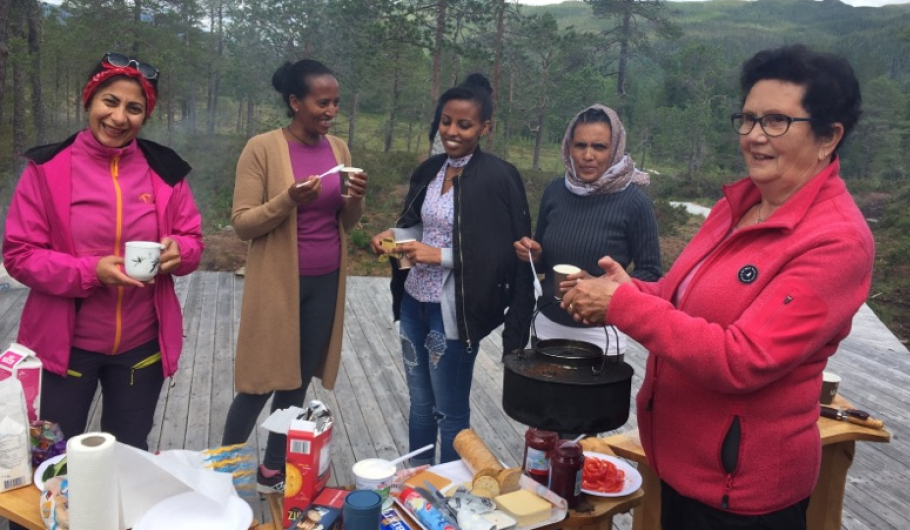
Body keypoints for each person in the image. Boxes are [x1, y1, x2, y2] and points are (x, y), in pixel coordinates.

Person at [562, 45, 873, 529]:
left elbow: (742, 360)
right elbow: (679, 298)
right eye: (747, 119)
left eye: (776, 121)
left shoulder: (836, 242)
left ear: (829, 136)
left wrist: (622, 305)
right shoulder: (738, 205)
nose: (753, 136)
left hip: (742, 496)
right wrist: (628, 291)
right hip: (682, 468)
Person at [2, 52, 203, 451]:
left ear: (145, 117)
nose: (118, 117)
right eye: (109, 101)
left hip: (141, 346)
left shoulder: (164, 169)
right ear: (89, 101)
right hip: (65, 347)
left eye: (134, 108)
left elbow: (192, 238)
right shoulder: (47, 167)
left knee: (127, 454)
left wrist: (181, 250)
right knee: (51, 456)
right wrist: (93, 271)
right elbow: (20, 254)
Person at [370, 74, 533, 465]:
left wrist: (438, 256)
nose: (452, 132)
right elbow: (419, 229)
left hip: (454, 314)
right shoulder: (430, 171)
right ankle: (417, 480)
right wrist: (392, 235)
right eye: (446, 122)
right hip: (414, 306)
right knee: (421, 404)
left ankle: (447, 492)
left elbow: (502, 256)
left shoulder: (498, 177)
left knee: (449, 411)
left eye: (465, 124)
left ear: (484, 128)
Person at [221, 59, 367, 493]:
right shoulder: (262, 148)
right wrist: (287, 199)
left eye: (336, 103)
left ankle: (271, 468)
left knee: (296, 381)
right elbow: (243, 223)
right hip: (277, 285)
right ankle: (221, 468)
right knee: (259, 380)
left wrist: (355, 198)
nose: (331, 111)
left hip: (325, 282)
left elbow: (347, 221)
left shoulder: (338, 149)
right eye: (322, 102)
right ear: (294, 102)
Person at [514, 104, 661, 357]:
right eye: (580, 145)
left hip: (601, 335)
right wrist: (535, 256)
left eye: (599, 147)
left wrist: (601, 285)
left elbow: (651, 275)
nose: (588, 155)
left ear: (615, 149)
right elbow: (544, 265)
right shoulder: (555, 191)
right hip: (546, 324)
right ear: (569, 147)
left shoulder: (634, 202)